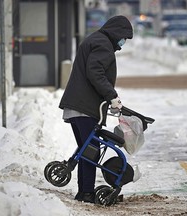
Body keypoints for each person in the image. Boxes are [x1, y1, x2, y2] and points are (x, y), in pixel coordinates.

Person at [59, 15, 133, 203]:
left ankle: (84, 191)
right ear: (117, 32)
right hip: (83, 107)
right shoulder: (103, 45)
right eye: (124, 37)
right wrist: (112, 96)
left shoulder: (96, 40)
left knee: (88, 150)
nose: (123, 43)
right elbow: (95, 72)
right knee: (91, 150)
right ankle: (86, 192)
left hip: (79, 106)